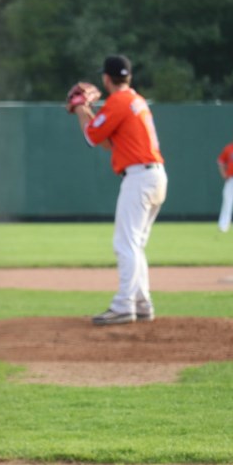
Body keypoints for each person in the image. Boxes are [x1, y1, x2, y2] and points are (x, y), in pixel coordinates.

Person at [67, 55, 168, 326]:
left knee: (125, 244)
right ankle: (141, 302)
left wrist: (79, 106)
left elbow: (90, 135)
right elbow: (107, 139)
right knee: (135, 244)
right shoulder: (135, 100)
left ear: (106, 79)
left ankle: (124, 305)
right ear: (129, 77)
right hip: (155, 176)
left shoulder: (118, 102)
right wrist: (87, 109)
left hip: (139, 178)